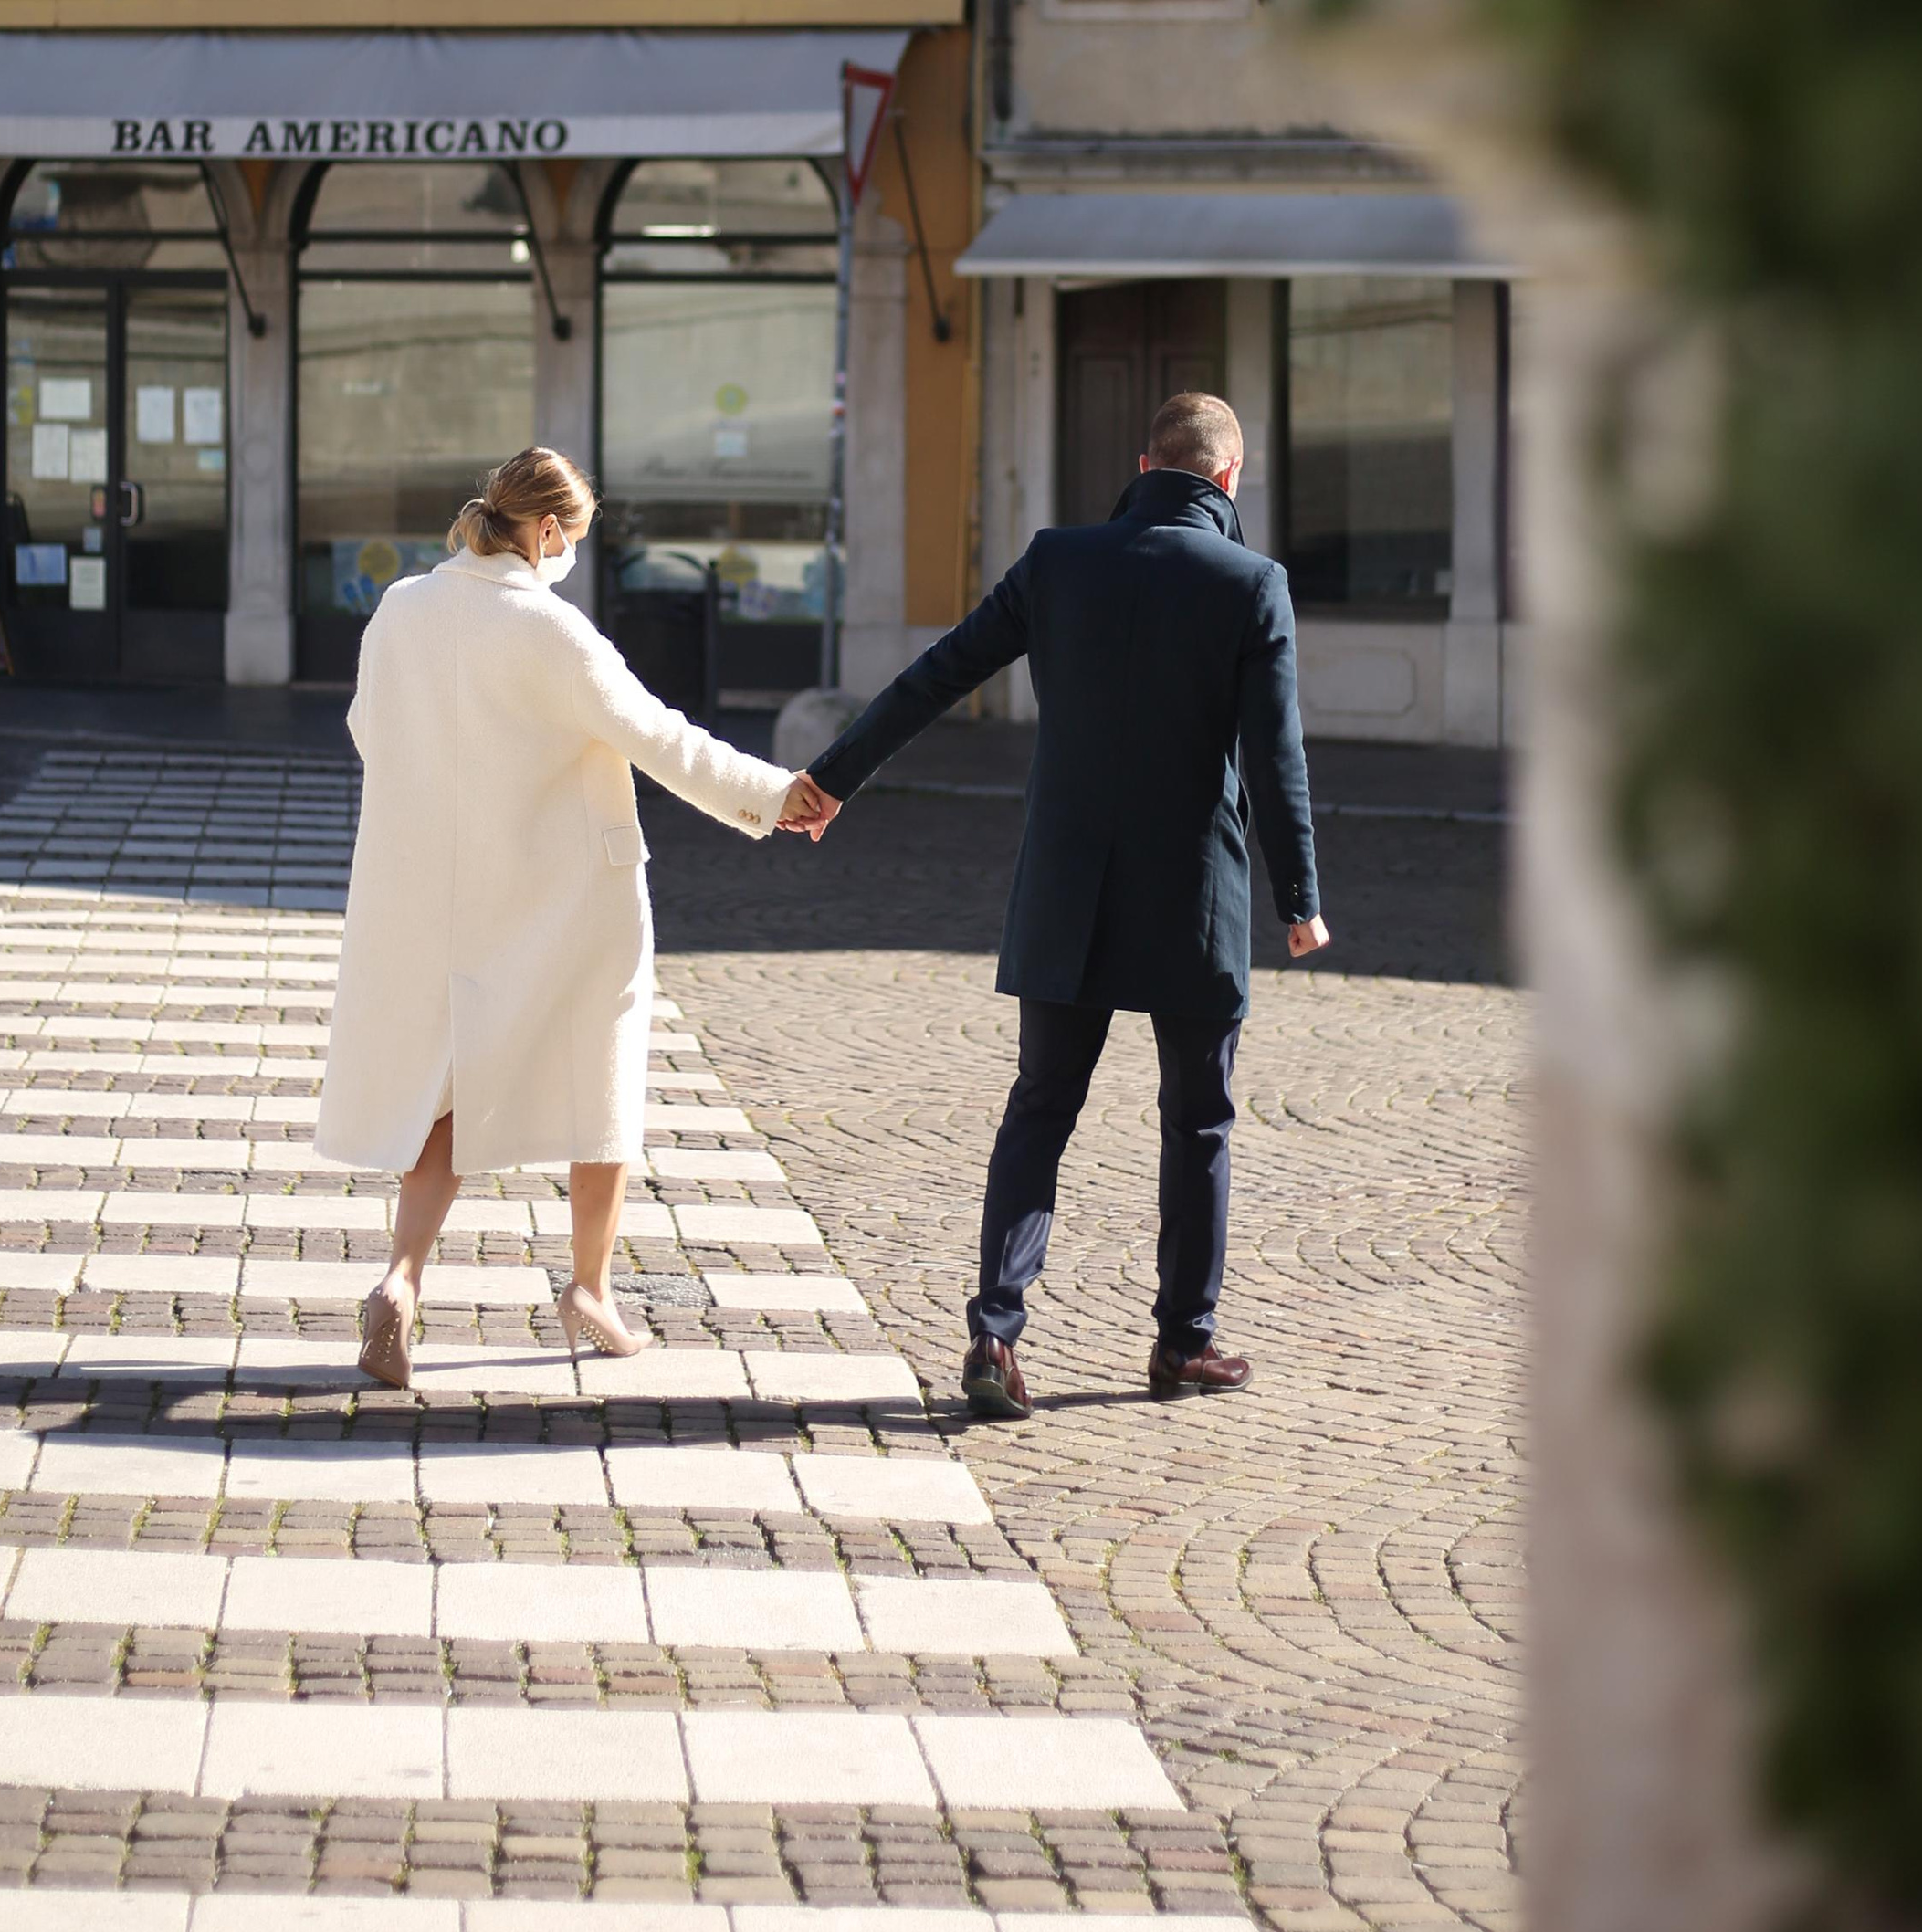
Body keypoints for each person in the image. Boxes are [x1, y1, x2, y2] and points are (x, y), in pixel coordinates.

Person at [774, 392, 1328, 1418]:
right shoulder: (1252, 583)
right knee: (1198, 1122)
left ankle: (994, 1334)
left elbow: (937, 675)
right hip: (1194, 898)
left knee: (1041, 1105)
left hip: (1067, 889)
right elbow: (1274, 752)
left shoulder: (1059, 561)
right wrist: (1300, 896)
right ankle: (1183, 1344)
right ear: (1228, 477)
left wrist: (832, 778)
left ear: (1143, 465)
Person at [317, 446, 797, 1391]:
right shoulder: (553, 630)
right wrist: (778, 796)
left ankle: (401, 1278)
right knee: (599, 1082)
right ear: (545, 532)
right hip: (565, 896)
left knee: (448, 1088)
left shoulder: (401, 608)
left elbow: (370, 731)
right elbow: (663, 739)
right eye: (572, 536)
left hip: (434, 893)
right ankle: (589, 1290)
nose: (572, 552)